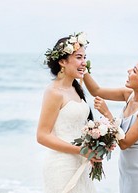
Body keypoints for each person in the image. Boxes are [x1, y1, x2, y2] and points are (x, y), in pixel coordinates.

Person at [83, 58, 138, 193]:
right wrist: (83, 69)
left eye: (134, 71)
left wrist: (107, 113)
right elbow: (96, 90)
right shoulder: (129, 95)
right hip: (126, 167)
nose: (128, 71)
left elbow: (125, 143)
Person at [36, 32, 99, 193]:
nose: (84, 63)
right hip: (61, 166)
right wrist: (82, 151)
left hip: (80, 163)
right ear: (62, 61)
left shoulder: (75, 89)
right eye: (79, 57)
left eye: (85, 57)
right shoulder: (54, 92)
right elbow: (43, 136)